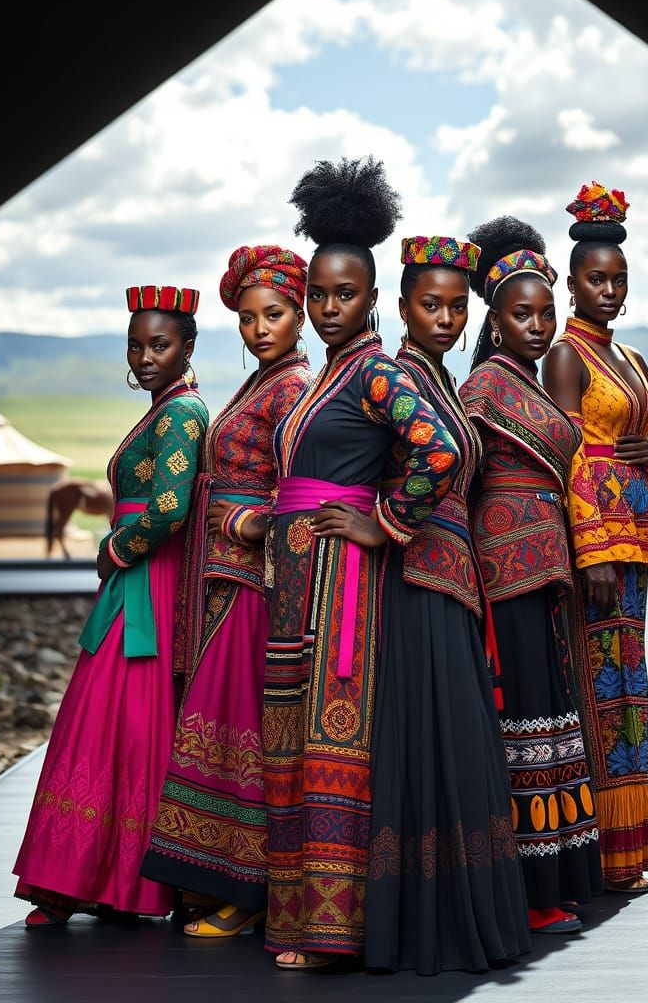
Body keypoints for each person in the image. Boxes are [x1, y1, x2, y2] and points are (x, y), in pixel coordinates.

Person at [263, 159, 461, 970]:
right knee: (288, 745)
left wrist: (385, 522)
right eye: (317, 295)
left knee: (330, 744)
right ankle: (291, 921)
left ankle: (333, 931)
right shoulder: (323, 376)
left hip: (341, 586)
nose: (327, 307)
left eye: (344, 295)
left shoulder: (378, 370)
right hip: (292, 583)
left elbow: (439, 450)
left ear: (373, 299)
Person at [14, 285, 210, 925]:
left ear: (188, 347)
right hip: (137, 577)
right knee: (114, 719)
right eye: (136, 344)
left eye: (161, 344)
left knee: (107, 715)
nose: (146, 356)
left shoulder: (181, 414)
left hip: (145, 582)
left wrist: (115, 547)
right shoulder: (162, 410)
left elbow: (170, 509)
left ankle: (76, 880)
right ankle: (98, 878)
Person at [363, 236, 530, 974]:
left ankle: (457, 919)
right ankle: (430, 925)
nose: (446, 317)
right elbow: (419, 461)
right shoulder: (401, 375)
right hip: (419, 583)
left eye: (457, 306)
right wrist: (387, 522)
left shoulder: (438, 378)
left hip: (452, 581)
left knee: (457, 741)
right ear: (401, 308)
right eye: (430, 304)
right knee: (435, 742)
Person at [140, 247, 312, 937]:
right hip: (223, 576)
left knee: (239, 725)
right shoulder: (264, 381)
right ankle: (217, 881)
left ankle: (251, 890)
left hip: (255, 579)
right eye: (246, 318)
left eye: (273, 314)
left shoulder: (295, 386)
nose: (259, 328)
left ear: (299, 313)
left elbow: (305, 494)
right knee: (215, 727)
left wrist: (244, 519)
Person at [460, 217, 608, 933]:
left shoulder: (524, 378)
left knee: (551, 724)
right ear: (493, 318)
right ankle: (526, 889)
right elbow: (460, 472)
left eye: (547, 313)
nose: (539, 325)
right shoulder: (484, 386)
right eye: (522, 314)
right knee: (524, 724)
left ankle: (555, 879)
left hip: (545, 568)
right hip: (505, 573)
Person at [542, 183, 648, 892]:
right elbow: (569, 452)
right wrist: (592, 549)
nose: (607, 289)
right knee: (600, 691)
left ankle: (628, 851)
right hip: (600, 554)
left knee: (630, 689)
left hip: (633, 551)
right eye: (595, 278)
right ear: (571, 284)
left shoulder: (630, 358)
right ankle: (601, 852)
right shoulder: (567, 357)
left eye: (618, 280)